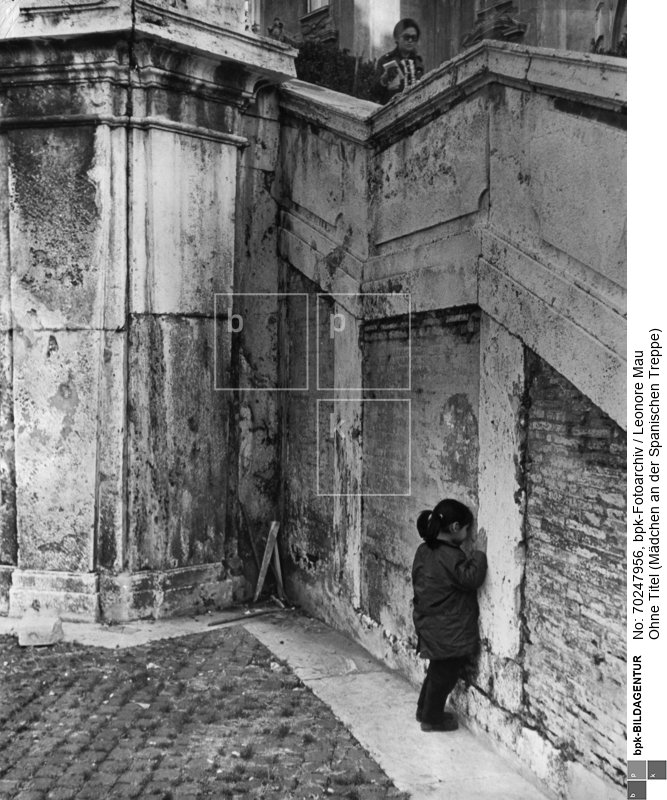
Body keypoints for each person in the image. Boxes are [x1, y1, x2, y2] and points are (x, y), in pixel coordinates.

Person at [412, 498, 487, 732]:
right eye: (466, 530)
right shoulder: (450, 556)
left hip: (428, 622)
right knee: (445, 674)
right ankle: (432, 719)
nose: (467, 535)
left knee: (437, 669)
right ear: (455, 528)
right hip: (447, 629)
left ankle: (423, 709)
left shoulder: (424, 550)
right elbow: (471, 578)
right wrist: (479, 554)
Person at [373, 18, 425, 104]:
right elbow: (374, 93)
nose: (410, 41)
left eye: (413, 38)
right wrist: (384, 80)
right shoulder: (385, 60)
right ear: (397, 38)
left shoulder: (418, 62)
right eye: (406, 37)